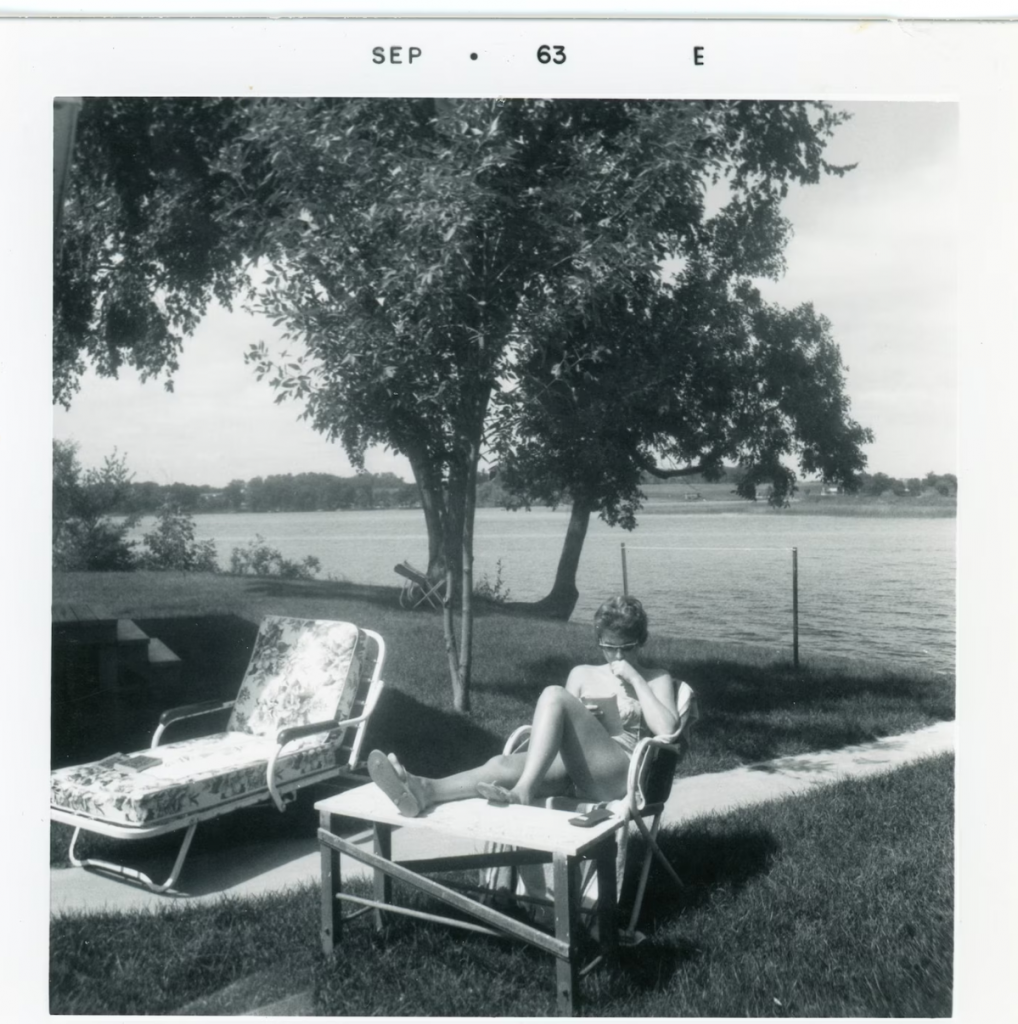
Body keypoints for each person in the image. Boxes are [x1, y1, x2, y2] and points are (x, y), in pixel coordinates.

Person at [367, 594, 680, 817]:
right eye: (609, 648)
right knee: (502, 764)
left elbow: (668, 730)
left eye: (626, 648)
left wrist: (636, 679)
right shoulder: (582, 674)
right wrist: (586, 721)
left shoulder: (656, 678)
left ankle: (524, 791)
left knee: (554, 695)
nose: (617, 657)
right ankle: (424, 790)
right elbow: (559, 734)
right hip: (572, 769)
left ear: (641, 642)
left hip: (619, 773)